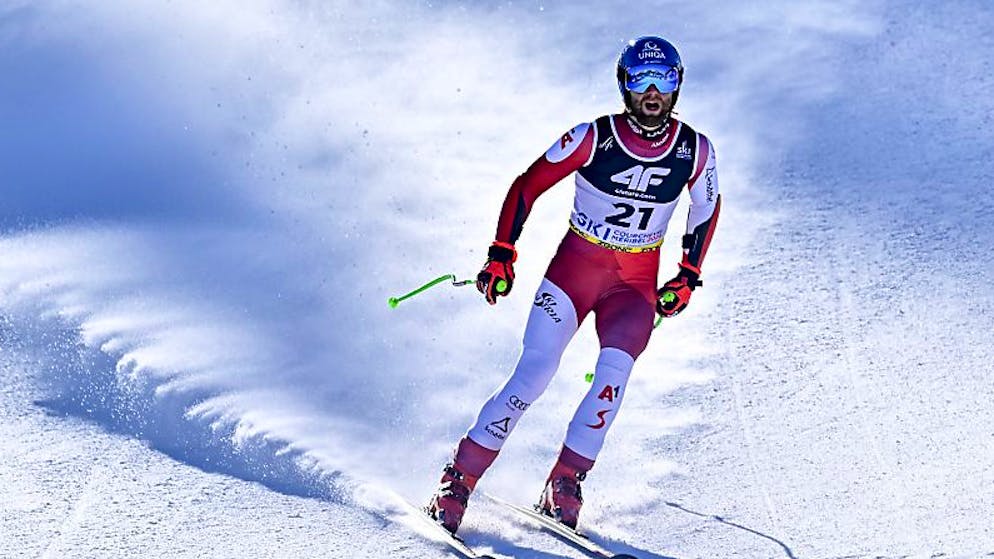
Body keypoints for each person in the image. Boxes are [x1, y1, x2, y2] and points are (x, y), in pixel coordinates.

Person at [426, 35, 721, 534]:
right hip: (573, 274)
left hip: (633, 289)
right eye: (641, 80)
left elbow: (707, 207)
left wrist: (688, 274)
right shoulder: (593, 137)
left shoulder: (695, 150)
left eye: (664, 80)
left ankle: (565, 479)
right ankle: (460, 477)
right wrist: (501, 253)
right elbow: (528, 185)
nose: (652, 92)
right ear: (624, 85)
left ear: (678, 85)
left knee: (612, 383)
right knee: (533, 375)